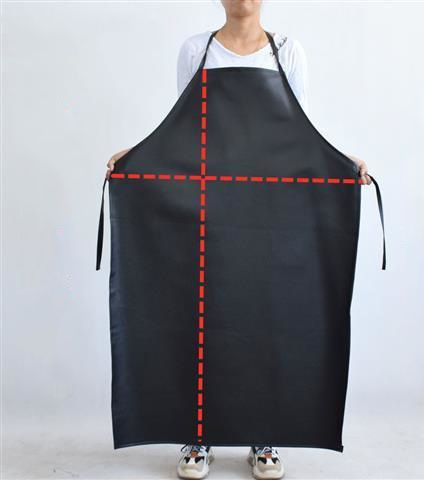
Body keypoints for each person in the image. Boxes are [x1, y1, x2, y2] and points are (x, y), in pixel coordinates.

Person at [105, 2, 372, 479]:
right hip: (208, 206)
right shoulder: (197, 50)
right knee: (200, 317)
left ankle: (264, 435)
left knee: (264, 317)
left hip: (268, 210)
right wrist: (138, 157)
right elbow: (181, 135)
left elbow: (300, 136)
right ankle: (197, 436)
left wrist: (341, 162)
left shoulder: (287, 51)